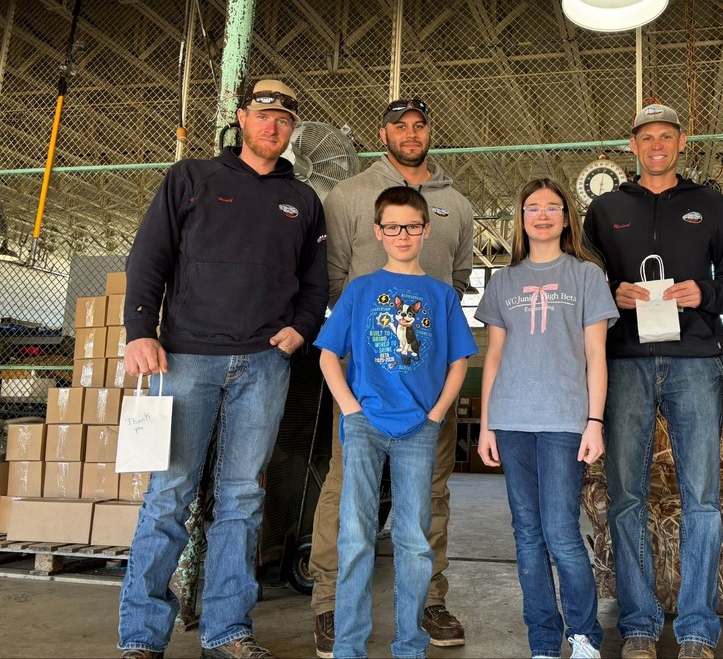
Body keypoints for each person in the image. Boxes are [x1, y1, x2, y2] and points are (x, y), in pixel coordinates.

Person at [117, 79, 329, 659]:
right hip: (185, 359)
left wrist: (301, 330)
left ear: (292, 129)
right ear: (242, 118)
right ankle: (141, 636)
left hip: (264, 365)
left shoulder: (303, 201)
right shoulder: (191, 178)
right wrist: (140, 331)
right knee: (169, 493)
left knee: (242, 498)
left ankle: (227, 631)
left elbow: (315, 286)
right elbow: (148, 257)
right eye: (264, 114)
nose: (273, 125)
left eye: (285, 118)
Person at [582, 100, 723, 659]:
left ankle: (698, 629)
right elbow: (584, 283)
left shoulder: (710, 204)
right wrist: (611, 295)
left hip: (696, 359)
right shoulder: (604, 210)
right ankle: (638, 626)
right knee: (626, 497)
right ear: (633, 146)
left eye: (666, 136)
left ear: (682, 142)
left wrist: (706, 294)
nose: (656, 145)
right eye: (646, 137)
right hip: (624, 360)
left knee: (701, 496)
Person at [310, 97, 474, 656]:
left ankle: (427, 605)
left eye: (419, 124)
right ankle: (332, 608)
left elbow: (455, 283)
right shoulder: (349, 195)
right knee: (346, 499)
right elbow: (334, 283)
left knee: (430, 498)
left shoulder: (456, 202)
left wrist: (434, 406)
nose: (410, 132)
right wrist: (354, 392)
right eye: (399, 125)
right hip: (363, 389)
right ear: (383, 133)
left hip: (425, 400)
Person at [475, 178, 619, 659]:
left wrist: (594, 421)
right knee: (527, 534)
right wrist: (487, 425)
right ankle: (542, 641)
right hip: (512, 419)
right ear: (520, 218)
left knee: (559, 530)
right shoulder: (503, 281)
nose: (541, 215)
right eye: (532, 208)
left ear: (566, 217)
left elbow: (597, 356)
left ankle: (582, 635)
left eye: (551, 207)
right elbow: (492, 358)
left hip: (563, 420)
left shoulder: (586, 276)